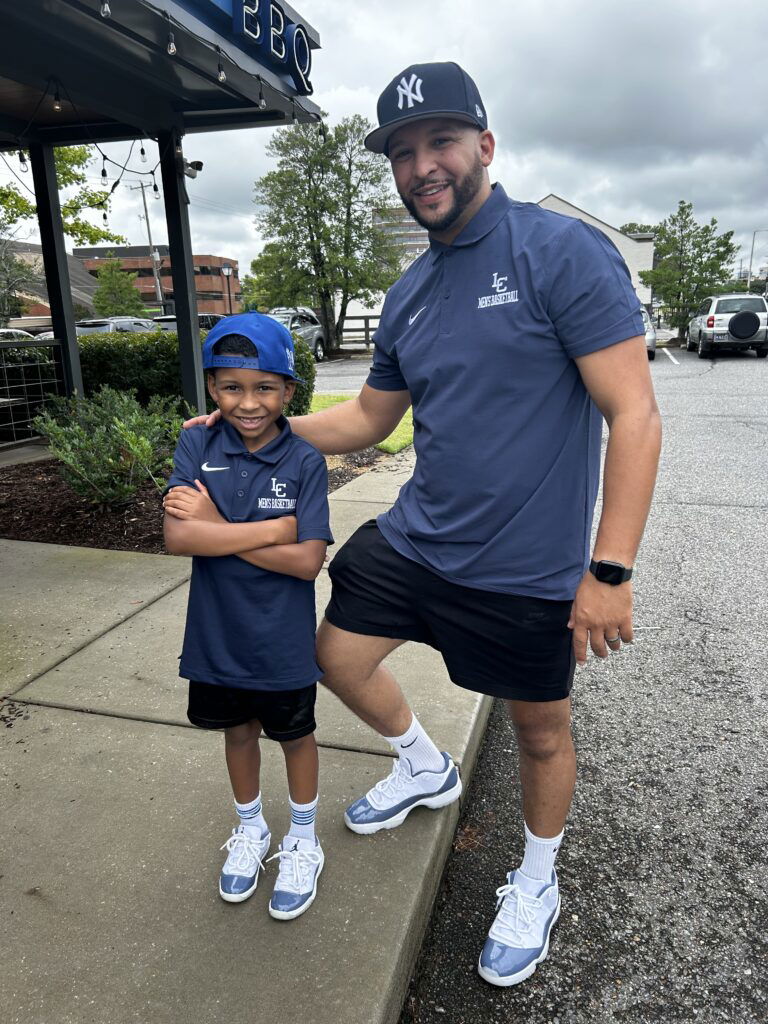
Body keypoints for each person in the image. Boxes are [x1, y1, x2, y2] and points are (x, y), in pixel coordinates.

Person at [184, 61, 661, 984]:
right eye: (402, 153)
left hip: (530, 567)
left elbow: (633, 414)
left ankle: (535, 878)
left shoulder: (558, 253)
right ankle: (421, 765)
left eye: (439, 143)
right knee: (334, 655)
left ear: (484, 146)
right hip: (418, 539)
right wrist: (260, 423)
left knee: (540, 732)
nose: (421, 166)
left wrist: (609, 569)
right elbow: (369, 419)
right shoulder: (409, 294)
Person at [164, 313, 333, 920]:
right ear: (212, 388)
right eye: (232, 387)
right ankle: (251, 828)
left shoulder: (306, 461)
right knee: (237, 734)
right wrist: (270, 530)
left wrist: (218, 526)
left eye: (265, 387)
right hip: (217, 638)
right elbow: (179, 539)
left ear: (289, 390)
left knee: (295, 737)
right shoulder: (196, 443)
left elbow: (307, 562)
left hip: (281, 641)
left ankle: (303, 837)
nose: (249, 402)